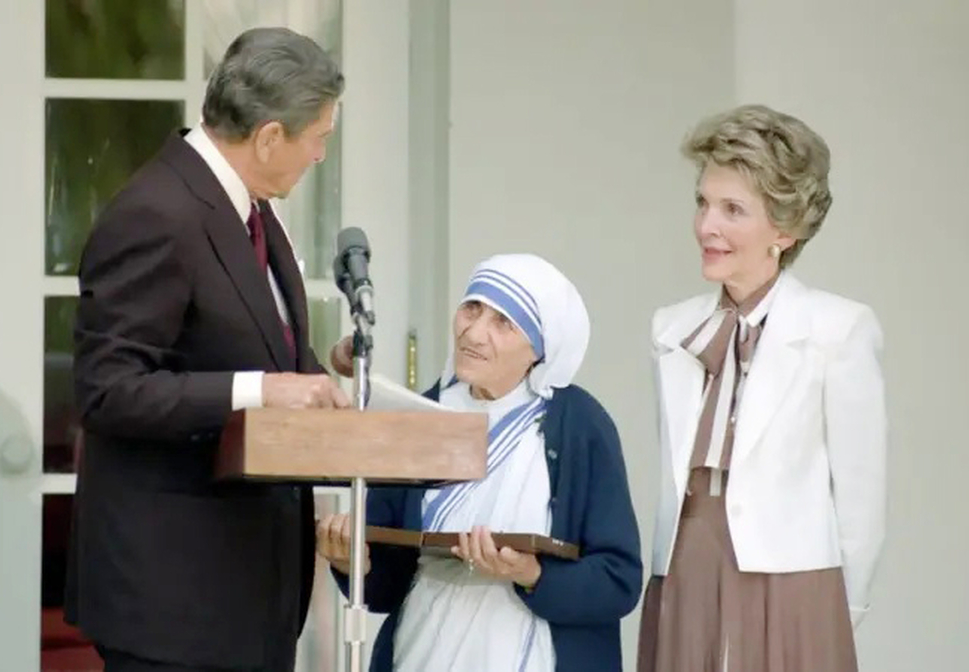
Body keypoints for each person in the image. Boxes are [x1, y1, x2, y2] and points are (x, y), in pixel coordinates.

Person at [65, 27, 352, 672]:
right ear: (271, 135)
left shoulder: (252, 211)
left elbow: (247, 346)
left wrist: (318, 376)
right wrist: (261, 389)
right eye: (320, 139)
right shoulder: (156, 212)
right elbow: (107, 388)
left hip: (247, 596)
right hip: (174, 603)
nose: (319, 157)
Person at [637, 104, 887, 672]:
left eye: (732, 210)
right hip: (683, 564)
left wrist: (840, 608)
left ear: (785, 228)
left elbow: (861, 493)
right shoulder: (671, 330)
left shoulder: (839, 329)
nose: (707, 227)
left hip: (795, 575)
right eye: (702, 203)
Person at [318, 253, 643, 671]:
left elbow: (618, 581)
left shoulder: (579, 425)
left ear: (540, 347)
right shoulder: (421, 416)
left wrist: (532, 574)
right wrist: (351, 561)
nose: (474, 332)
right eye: (472, 309)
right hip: (421, 652)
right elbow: (385, 586)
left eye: (502, 322)